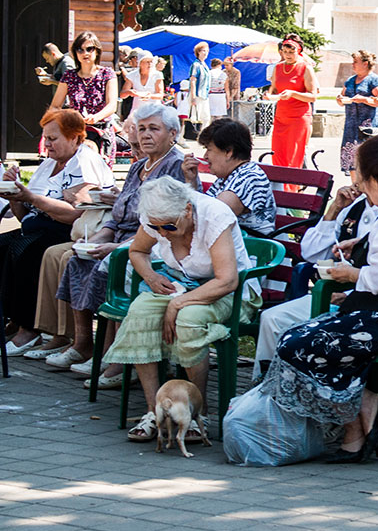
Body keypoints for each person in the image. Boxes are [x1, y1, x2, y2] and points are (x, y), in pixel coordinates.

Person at [257, 135, 378, 463]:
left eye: (357, 173)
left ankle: (358, 425)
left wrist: (349, 275)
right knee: (304, 336)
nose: (355, 180)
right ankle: (365, 416)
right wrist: (361, 242)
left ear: (374, 179)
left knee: (297, 344)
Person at [104, 176, 262, 442]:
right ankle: (156, 410)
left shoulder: (214, 215)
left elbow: (227, 280)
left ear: (187, 210)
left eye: (168, 226)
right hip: (180, 283)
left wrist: (177, 303)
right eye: (156, 227)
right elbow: (138, 251)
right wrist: (151, 278)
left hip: (229, 292)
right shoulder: (158, 218)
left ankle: (195, 411)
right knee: (140, 313)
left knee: (188, 319)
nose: (162, 233)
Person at [46, 103, 189, 385]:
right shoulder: (138, 167)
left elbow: (168, 224)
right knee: (80, 258)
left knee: (113, 263)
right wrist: (99, 238)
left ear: (173, 133)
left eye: (154, 129)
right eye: (143, 128)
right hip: (123, 238)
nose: (145, 135)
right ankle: (86, 345)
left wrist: (117, 247)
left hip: (156, 243)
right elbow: (118, 214)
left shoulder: (176, 166)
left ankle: (118, 357)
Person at [0, 109, 115, 356]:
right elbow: (24, 216)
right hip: (39, 226)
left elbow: (76, 213)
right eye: (46, 138)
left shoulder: (84, 162)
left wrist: (30, 197)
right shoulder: (49, 163)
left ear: (75, 138)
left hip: (70, 230)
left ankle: (29, 328)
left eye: (53, 138)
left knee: (27, 250)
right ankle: (13, 318)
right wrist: (15, 196)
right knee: (4, 245)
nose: (47, 144)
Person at [251, 183, 378, 380]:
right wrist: (334, 209)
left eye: (358, 167)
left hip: (372, 304)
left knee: (297, 328)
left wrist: (347, 295)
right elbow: (311, 252)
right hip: (334, 296)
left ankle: (306, 393)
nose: (353, 174)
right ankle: (265, 392)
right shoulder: (355, 206)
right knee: (272, 319)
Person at [181, 119, 276, 235]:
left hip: (251, 248)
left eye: (209, 149)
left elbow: (213, 217)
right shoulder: (228, 176)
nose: (205, 156)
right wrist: (191, 181)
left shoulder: (248, 177)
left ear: (228, 152)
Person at [48, 32, 119, 166]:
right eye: (80, 49)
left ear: (97, 51)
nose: (85, 53)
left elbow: (111, 105)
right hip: (76, 132)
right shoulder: (69, 76)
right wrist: (65, 119)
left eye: (89, 49)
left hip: (101, 131)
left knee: (100, 178)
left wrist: (96, 117)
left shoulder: (107, 73)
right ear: (75, 53)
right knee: (73, 173)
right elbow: (55, 106)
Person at [268, 34, 318, 181]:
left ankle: (293, 191)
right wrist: (269, 94)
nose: (288, 55)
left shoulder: (305, 68)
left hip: (298, 117)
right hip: (281, 116)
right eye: (285, 51)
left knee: (294, 156)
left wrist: (293, 94)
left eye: (291, 52)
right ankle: (280, 189)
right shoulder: (278, 67)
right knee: (277, 154)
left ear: (298, 51)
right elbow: (274, 88)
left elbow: (313, 96)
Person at [337, 50, 378, 175]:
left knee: (367, 159)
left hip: (367, 125)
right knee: (351, 159)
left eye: (355, 62)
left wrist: (364, 100)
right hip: (351, 125)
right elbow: (343, 95)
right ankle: (355, 188)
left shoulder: (374, 80)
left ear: (365, 63)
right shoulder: (350, 80)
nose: (352, 64)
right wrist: (340, 100)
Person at [120, 51, 165, 115]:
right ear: (140, 63)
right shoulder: (132, 75)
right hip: (137, 111)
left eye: (151, 61)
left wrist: (150, 96)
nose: (150, 64)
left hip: (154, 110)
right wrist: (129, 92)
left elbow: (160, 95)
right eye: (147, 62)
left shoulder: (157, 75)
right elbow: (122, 95)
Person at [187, 41, 212, 131]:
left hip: (204, 95)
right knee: (194, 117)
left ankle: (203, 138)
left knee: (206, 118)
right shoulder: (196, 65)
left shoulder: (204, 65)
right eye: (204, 51)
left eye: (207, 51)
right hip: (197, 94)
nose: (206, 53)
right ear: (198, 52)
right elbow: (193, 81)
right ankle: (182, 138)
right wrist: (193, 97)